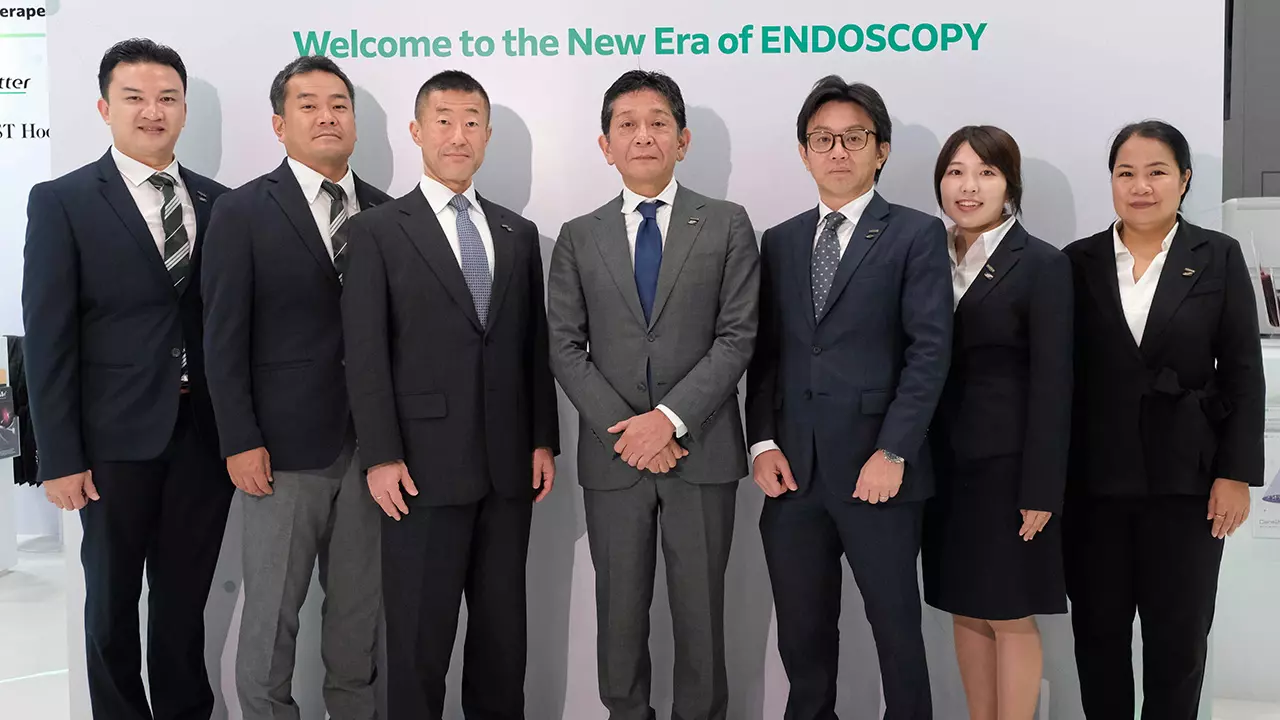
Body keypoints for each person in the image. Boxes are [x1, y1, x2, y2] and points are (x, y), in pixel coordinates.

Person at [21, 38, 233, 720]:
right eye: (135, 97)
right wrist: (57, 455)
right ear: (104, 107)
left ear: (184, 109)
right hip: (111, 442)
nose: (153, 111)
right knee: (111, 604)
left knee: (184, 605)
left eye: (167, 98)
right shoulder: (63, 201)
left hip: (202, 436)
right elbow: (48, 339)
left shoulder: (221, 203)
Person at [341, 70, 559, 720]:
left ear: (487, 135)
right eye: (443, 120)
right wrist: (381, 455)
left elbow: (532, 347)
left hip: (507, 473)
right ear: (417, 131)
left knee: (502, 647)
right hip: (419, 472)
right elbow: (365, 353)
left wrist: (542, 439)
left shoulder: (519, 234)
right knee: (418, 645)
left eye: (471, 122)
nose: (457, 135)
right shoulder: (378, 230)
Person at [547, 70, 759, 720]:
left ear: (682, 140)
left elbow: (737, 337)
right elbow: (565, 346)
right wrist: (632, 432)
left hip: (702, 451)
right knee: (618, 614)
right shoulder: (578, 235)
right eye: (628, 125)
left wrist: (667, 420)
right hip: (616, 459)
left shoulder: (726, 224)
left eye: (658, 123)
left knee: (703, 616)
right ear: (606, 145)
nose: (644, 136)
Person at [744, 75, 951, 720]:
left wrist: (894, 451)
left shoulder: (916, 234)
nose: (838, 151)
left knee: (897, 634)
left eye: (854, 138)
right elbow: (765, 353)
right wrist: (762, 442)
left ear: (880, 150)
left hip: (877, 472)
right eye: (823, 139)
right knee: (802, 638)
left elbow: (929, 353)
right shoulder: (779, 240)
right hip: (793, 477)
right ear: (804, 152)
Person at [200, 55, 391, 720]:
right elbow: (222, 338)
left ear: (355, 122)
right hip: (279, 455)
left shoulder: (389, 213)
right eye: (308, 105)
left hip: (373, 452)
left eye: (339, 105)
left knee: (359, 616)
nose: (326, 116)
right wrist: (239, 439)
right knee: (271, 617)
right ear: (280, 125)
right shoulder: (242, 210)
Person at [1063, 120, 1263, 719]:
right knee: (1097, 639)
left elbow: (1243, 371)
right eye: (1126, 173)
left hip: (1187, 482)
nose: (1140, 186)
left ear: (1184, 179)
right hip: (1094, 485)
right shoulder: (1076, 261)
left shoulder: (1217, 255)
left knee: (1179, 643)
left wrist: (1235, 473)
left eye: (1156, 172)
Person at [920, 126, 1072, 720]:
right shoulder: (926, 255)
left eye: (986, 173)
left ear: (1010, 185)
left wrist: (1042, 488)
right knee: (965, 605)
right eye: (956, 172)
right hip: (942, 466)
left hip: (1009, 471)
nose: (969, 186)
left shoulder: (1042, 264)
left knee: (1009, 612)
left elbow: (1055, 384)